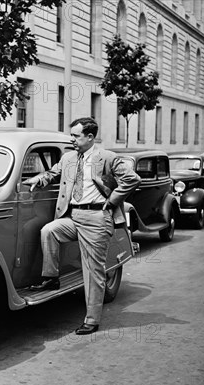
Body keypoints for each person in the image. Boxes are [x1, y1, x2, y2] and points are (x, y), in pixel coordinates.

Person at [22, 117, 140, 335]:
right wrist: (38, 179)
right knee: (49, 231)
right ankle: (51, 278)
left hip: (97, 217)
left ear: (90, 137)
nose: (72, 139)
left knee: (93, 271)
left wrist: (113, 200)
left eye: (76, 136)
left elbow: (132, 179)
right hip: (73, 215)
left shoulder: (107, 157)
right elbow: (52, 173)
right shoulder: (68, 158)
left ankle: (92, 320)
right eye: (72, 135)